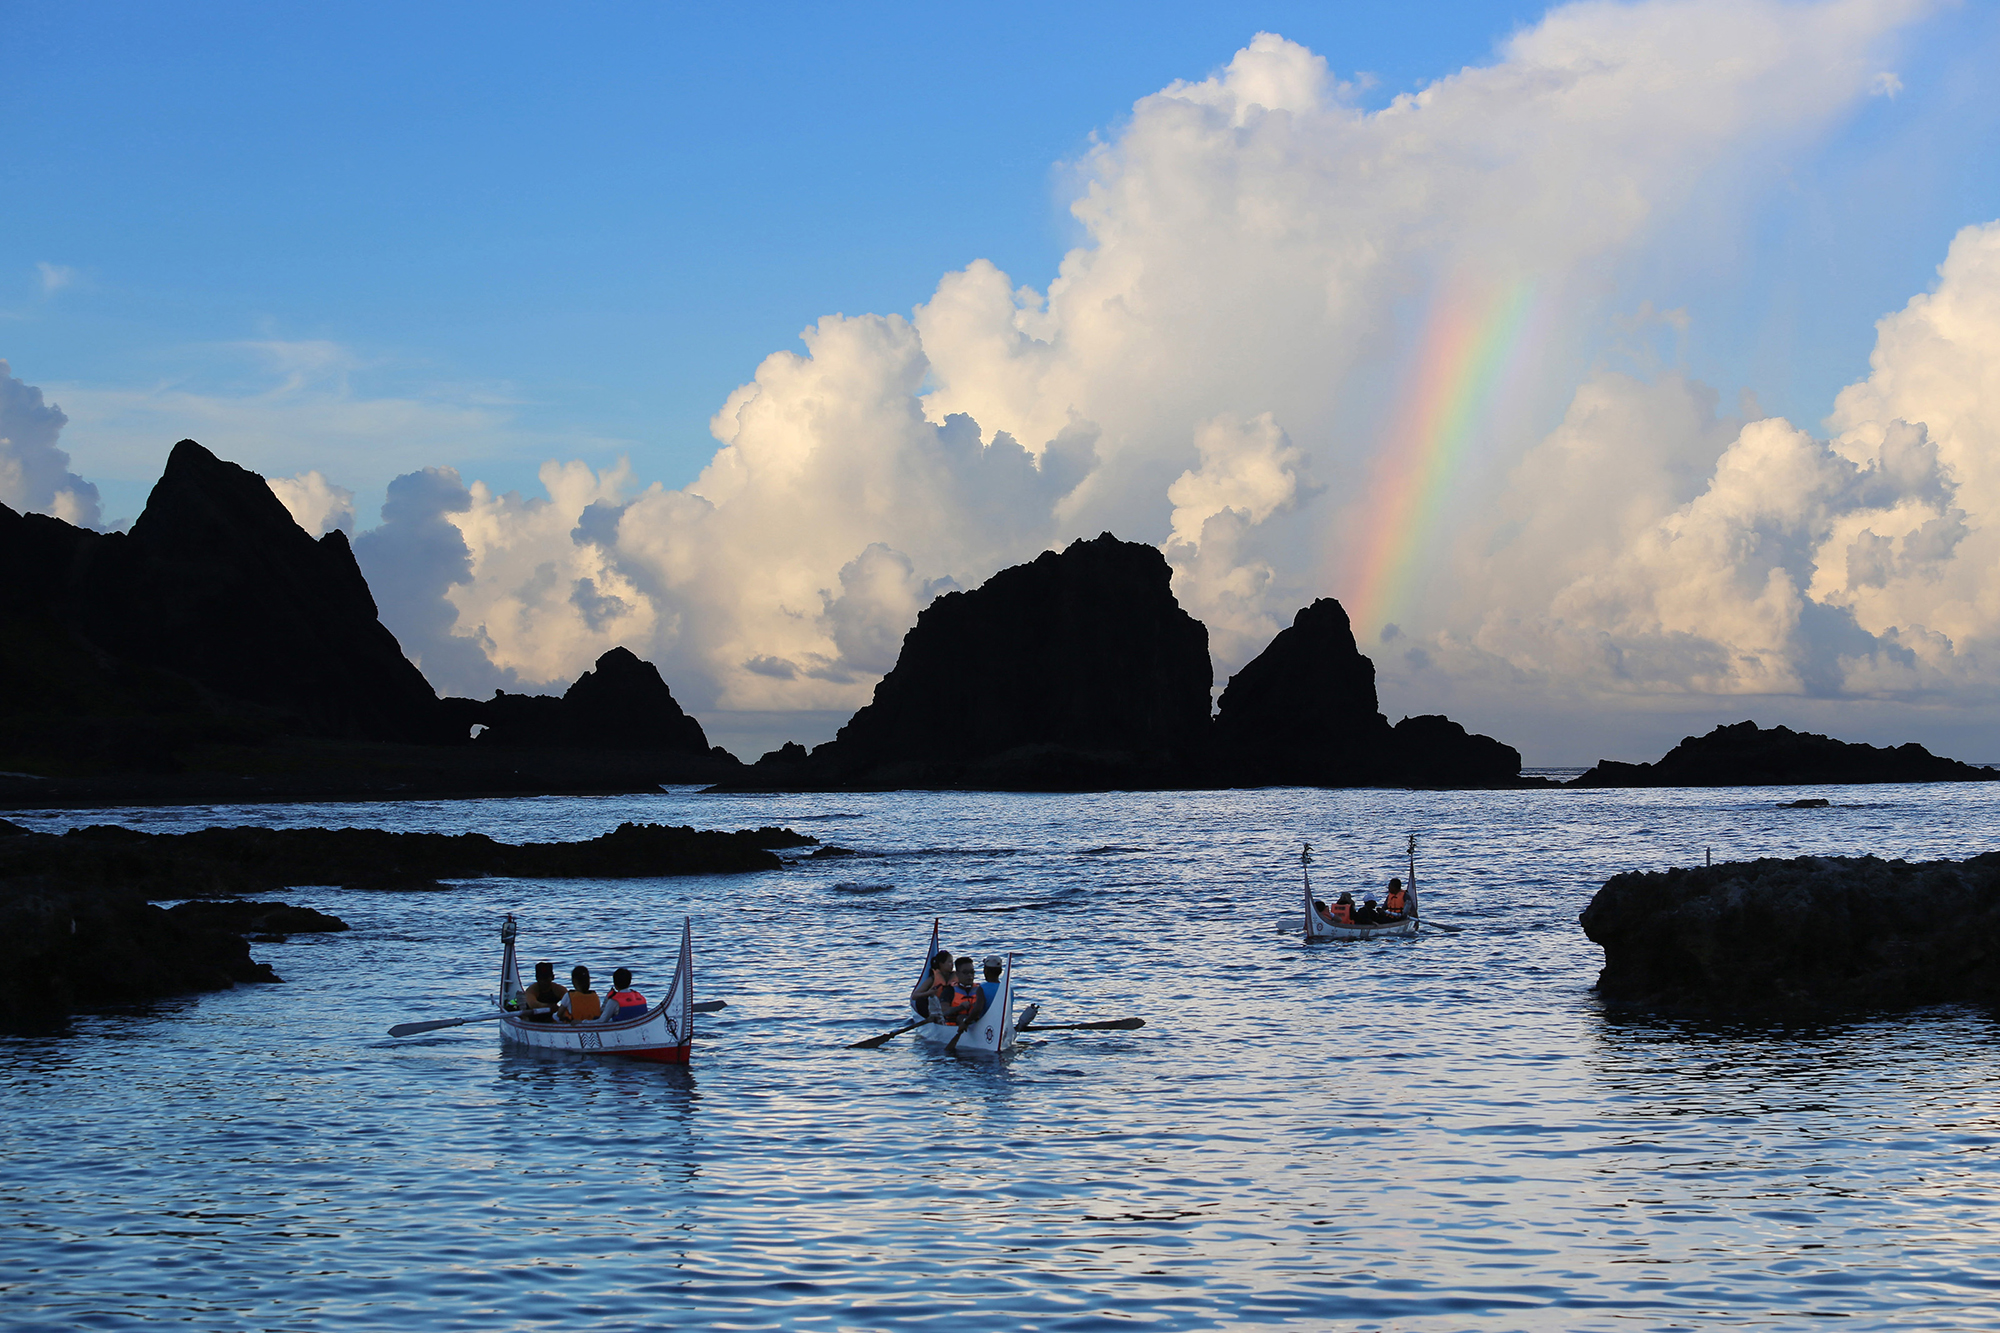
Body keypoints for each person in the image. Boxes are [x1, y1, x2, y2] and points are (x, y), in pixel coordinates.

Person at [912, 950, 954, 1021]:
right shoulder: (932, 979)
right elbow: (914, 996)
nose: (952, 965)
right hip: (934, 1009)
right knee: (920, 1001)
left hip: (949, 1007)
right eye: (949, 962)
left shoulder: (957, 976)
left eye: (952, 962)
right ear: (941, 964)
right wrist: (928, 993)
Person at [940, 957, 980, 1026]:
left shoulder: (979, 989)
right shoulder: (949, 990)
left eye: (972, 972)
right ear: (957, 974)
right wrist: (960, 1008)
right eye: (965, 972)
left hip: (977, 1025)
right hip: (953, 1026)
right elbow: (943, 1012)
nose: (970, 975)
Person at [971, 955, 1004, 1022]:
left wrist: (966, 1022)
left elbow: (978, 1010)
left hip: (987, 1025)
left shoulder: (982, 988)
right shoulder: (1008, 989)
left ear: (985, 971)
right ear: (1000, 971)